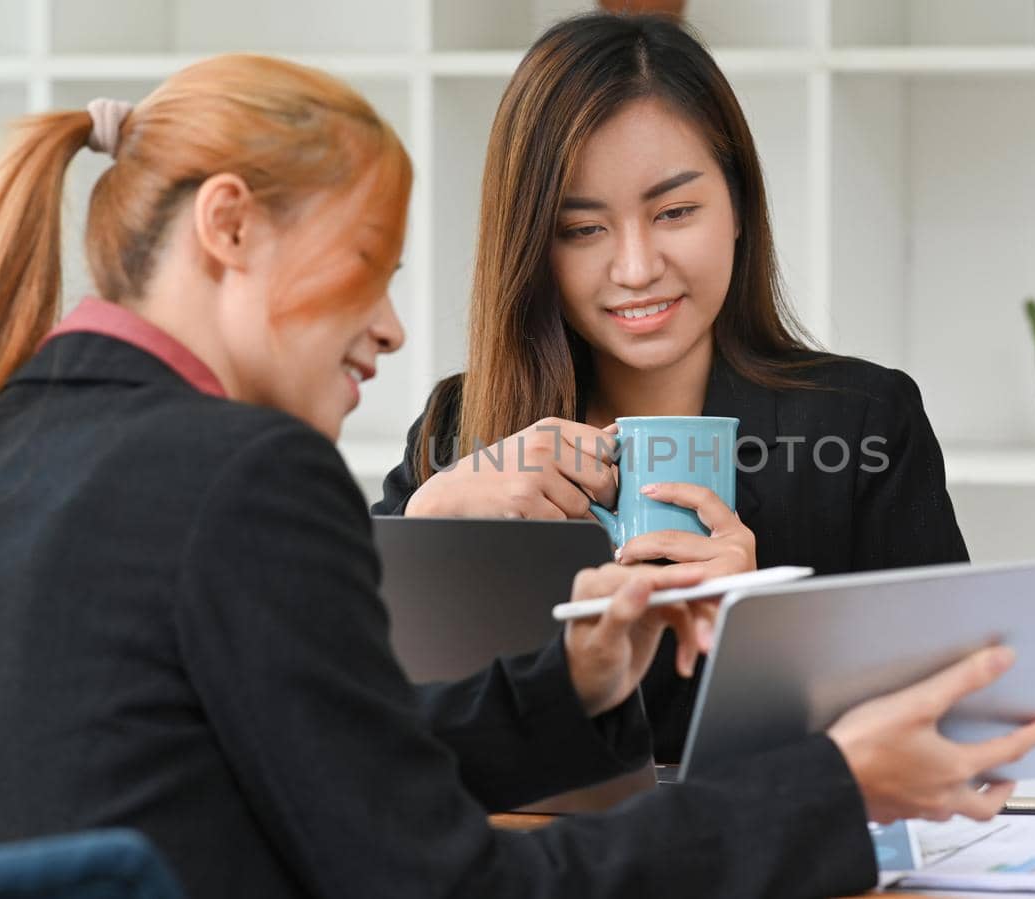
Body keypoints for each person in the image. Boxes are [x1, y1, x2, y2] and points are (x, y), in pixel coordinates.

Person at [0, 52, 1035, 899]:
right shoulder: (245, 474)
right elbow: (444, 875)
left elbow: (294, 757)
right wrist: (829, 786)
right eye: (367, 264)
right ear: (227, 227)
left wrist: (580, 678)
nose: (388, 322)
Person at [375, 13, 969, 759]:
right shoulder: (462, 428)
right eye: (582, 229)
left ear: (740, 209)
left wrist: (767, 633)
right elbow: (354, 728)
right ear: (532, 248)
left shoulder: (862, 427)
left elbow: (950, 726)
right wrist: (430, 518)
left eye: (676, 211)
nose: (635, 267)